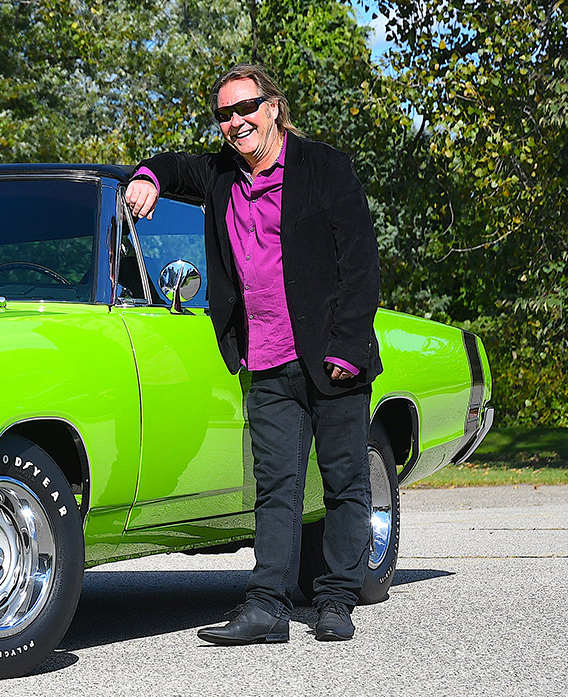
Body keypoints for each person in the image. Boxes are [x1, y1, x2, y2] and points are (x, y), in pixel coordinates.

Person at [124, 64, 381, 644]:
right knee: (276, 487)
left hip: (331, 358)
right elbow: (169, 165)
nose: (236, 122)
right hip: (263, 358)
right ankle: (267, 605)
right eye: (224, 114)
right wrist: (146, 178)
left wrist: (345, 347)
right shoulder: (221, 173)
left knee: (344, 481)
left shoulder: (324, 168)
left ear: (272, 108)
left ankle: (336, 599)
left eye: (246, 108)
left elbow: (361, 264)